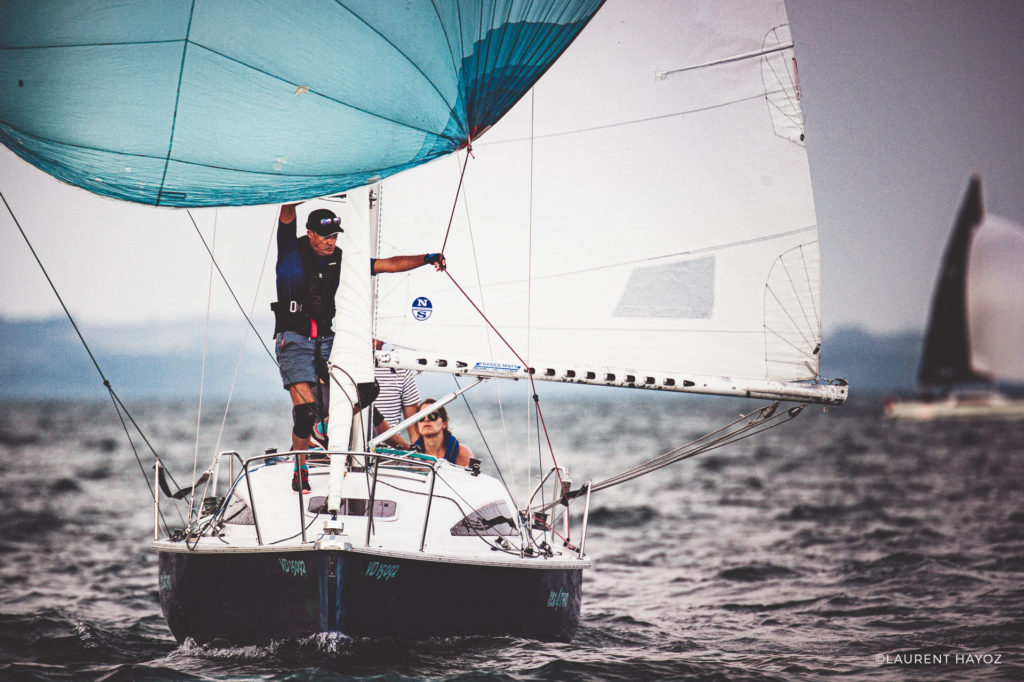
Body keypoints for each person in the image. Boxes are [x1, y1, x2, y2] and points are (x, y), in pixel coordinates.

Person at [272, 202, 445, 491]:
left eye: (335, 237)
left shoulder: (340, 259)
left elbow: (387, 264)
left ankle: (325, 422)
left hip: (327, 339)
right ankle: (300, 467)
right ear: (311, 234)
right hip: (294, 339)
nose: (331, 242)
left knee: (366, 389)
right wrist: (300, 189)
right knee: (303, 414)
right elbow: (286, 212)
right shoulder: (291, 250)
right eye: (326, 237)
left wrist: (426, 258)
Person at [373, 338, 422, 446]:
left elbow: (414, 431)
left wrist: (417, 457)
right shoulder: (343, 368)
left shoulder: (400, 369)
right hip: (347, 457)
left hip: (392, 458)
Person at [410, 399, 473, 467]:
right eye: (421, 417)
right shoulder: (409, 457)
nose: (426, 420)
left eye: (432, 416)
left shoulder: (462, 454)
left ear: (444, 423)